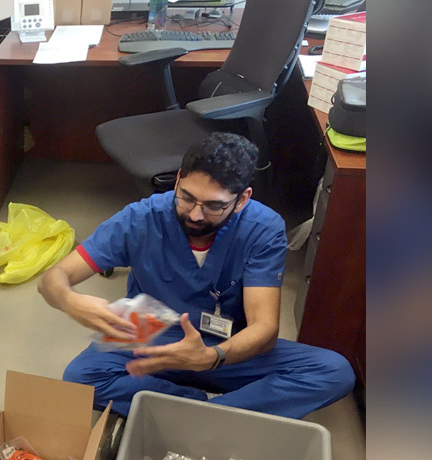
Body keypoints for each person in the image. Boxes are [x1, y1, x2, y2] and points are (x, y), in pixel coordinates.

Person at [38, 132, 355, 419]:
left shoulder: (263, 228)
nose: (195, 214)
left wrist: (212, 356)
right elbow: (52, 279)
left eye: (213, 206)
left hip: (226, 343)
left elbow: (265, 327)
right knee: (80, 376)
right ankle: (209, 414)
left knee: (334, 372)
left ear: (242, 199)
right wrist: (68, 300)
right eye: (187, 197)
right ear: (177, 180)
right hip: (149, 327)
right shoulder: (140, 218)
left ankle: (192, 416)